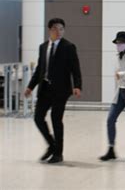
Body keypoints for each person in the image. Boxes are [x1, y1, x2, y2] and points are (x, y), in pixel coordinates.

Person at [24, 18, 82, 164]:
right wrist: (30, 87)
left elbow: (75, 69)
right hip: (45, 88)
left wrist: (77, 86)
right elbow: (39, 70)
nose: (59, 31)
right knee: (38, 118)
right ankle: (51, 145)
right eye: (56, 29)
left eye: (61, 28)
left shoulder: (69, 47)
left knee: (56, 119)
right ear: (50, 30)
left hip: (61, 90)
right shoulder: (43, 47)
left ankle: (58, 153)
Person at [100, 31, 125, 161]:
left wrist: (123, 74)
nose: (119, 45)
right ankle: (111, 148)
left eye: (121, 42)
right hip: (119, 92)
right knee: (110, 119)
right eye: (117, 43)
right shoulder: (118, 56)